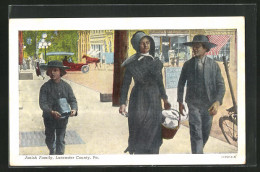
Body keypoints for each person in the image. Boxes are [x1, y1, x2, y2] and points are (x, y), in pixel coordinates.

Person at [119, 31, 171, 154]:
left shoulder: (156, 62)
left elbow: (160, 82)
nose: (146, 45)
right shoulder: (131, 63)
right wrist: (123, 103)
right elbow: (125, 84)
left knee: (154, 127)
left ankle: (153, 155)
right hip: (138, 99)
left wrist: (165, 99)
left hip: (154, 98)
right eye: (142, 43)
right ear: (137, 45)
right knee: (139, 126)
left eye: (147, 43)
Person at [177, 35, 225, 154]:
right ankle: (198, 159)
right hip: (193, 104)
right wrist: (180, 102)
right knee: (196, 133)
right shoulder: (187, 65)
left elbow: (221, 86)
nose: (194, 49)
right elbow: (181, 84)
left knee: (205, 133)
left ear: (205, 49)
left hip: (208, 105)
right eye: (193, 46)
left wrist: (217, 102)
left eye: (197, 46)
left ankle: (197, 153)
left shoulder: (214, 65)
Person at [39, 60, 78, 155]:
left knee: (60, 139)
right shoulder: (45, 87)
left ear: (61, 72)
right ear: (48, 72)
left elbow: (72, 100)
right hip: (49, 118)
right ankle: (52, 152)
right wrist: (51, 112)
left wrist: (74, 109)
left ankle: (59, 158)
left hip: (63, 118)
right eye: (50, 70)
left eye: (55, 70)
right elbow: (42, 103)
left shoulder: (66, 87)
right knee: (50, 139)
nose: (53, 73)